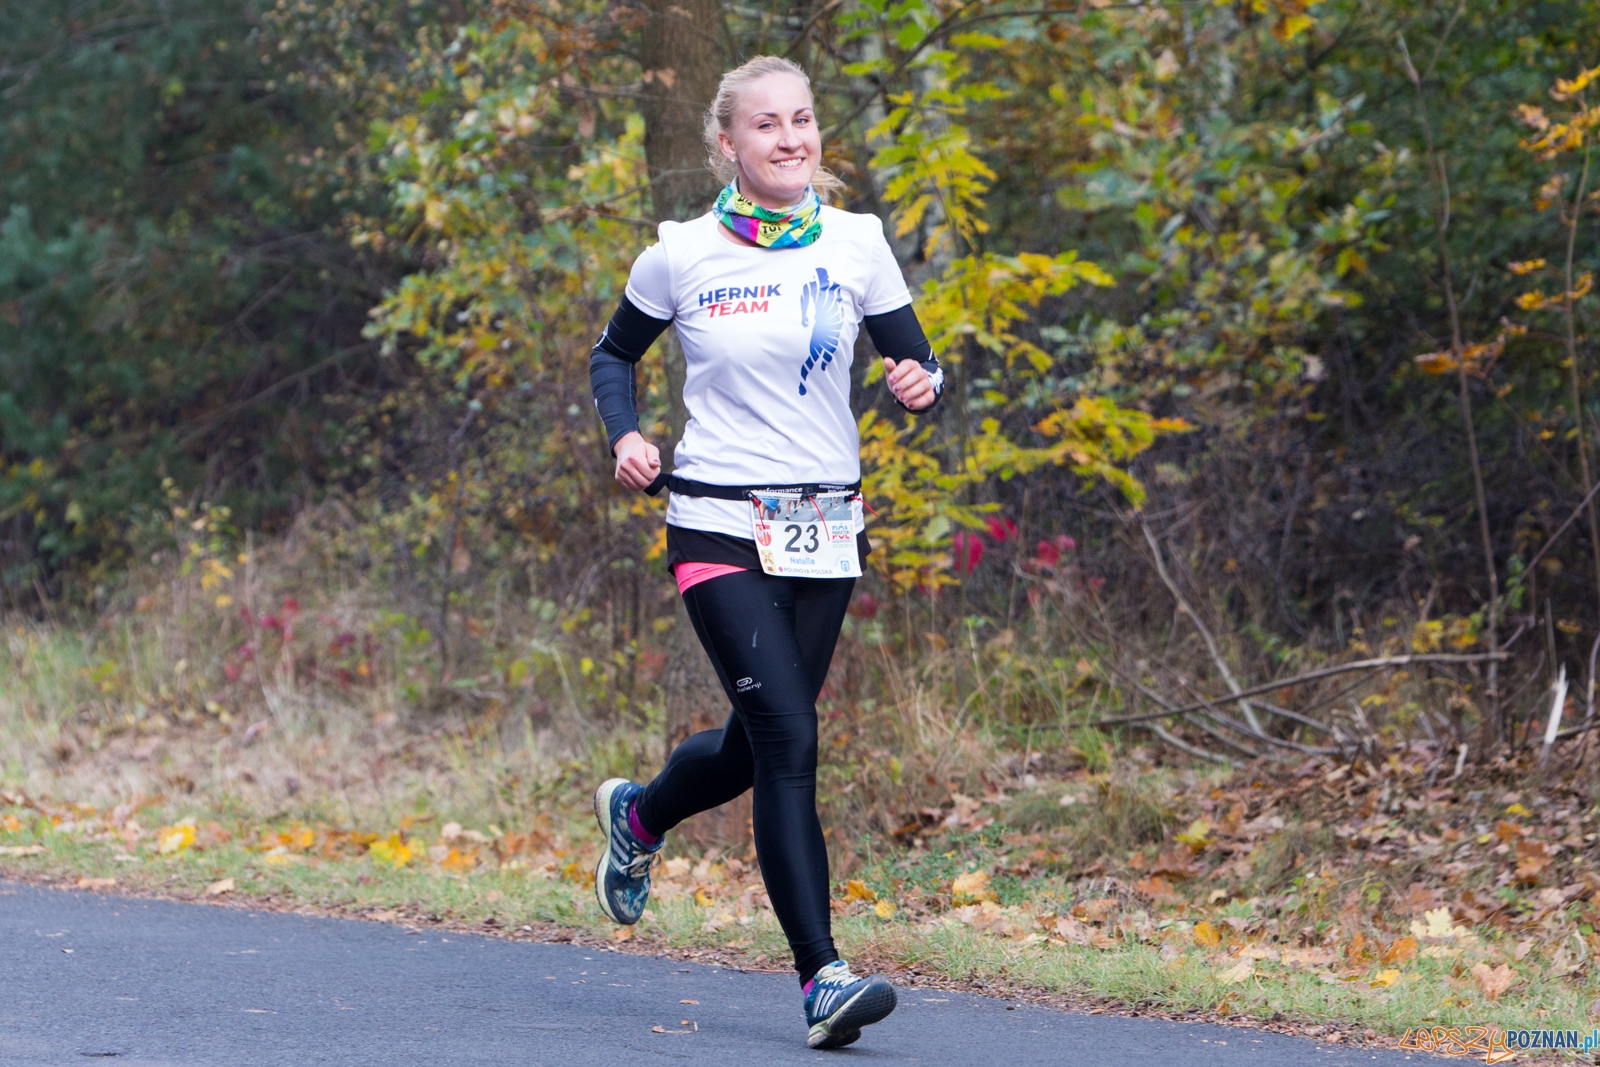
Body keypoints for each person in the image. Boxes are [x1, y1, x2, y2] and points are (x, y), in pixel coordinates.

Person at [586, 54, 942, 1051]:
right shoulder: (681, 254)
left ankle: (641, 812)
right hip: (712, 517)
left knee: (755, 744)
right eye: (767, 126)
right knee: (789, 735)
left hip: (823, 523)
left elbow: (913, 355)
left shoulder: (858, 242)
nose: (792, 140)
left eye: (803, 121)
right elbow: (613, 353)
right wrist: (625, 434)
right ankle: (821, 975)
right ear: (726, 144)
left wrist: (921, 383)